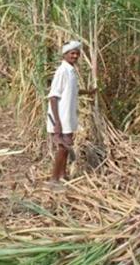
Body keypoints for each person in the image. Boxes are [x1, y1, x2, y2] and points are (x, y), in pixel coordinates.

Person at [47, 40, 95, 188]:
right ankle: (54, 179)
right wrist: (58, 123)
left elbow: (70, 92)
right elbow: (53, 97)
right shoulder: (62, 71)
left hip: (67, 116)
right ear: (65, 55)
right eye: (72, 53)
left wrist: (88, 92)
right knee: (63, 147)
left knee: (67, 146)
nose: (75, 56)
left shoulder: (71, 70)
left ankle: (63, 175)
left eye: (77, 53)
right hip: (61, 117)